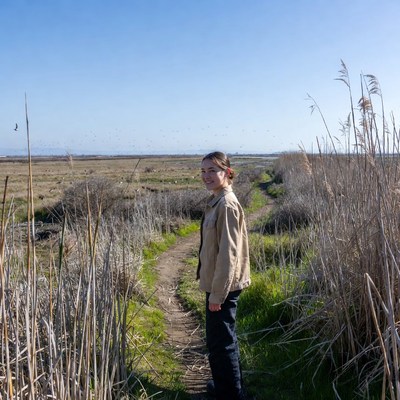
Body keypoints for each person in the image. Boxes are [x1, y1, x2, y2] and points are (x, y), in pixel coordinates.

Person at [197, 151, 251, 400]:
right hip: (219, 285)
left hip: (224, 287)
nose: (207, 176)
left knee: (222, 343)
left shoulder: (226, 204)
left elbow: (228, 254)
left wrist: (217, 295)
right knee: (220, 341)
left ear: (227, 173)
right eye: (204, 171)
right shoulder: (217, 200)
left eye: (213, 170)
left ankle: (230, 395)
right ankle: (227, 388)